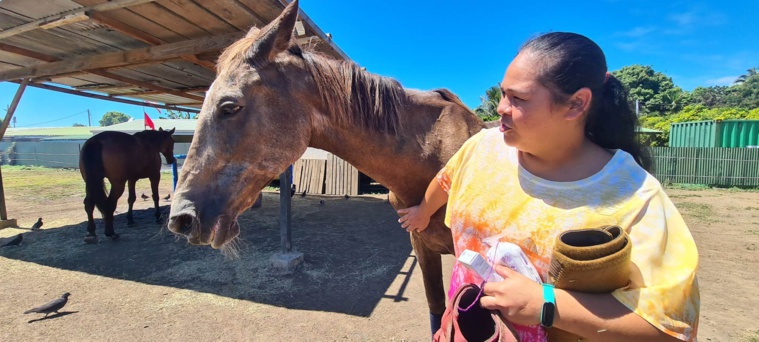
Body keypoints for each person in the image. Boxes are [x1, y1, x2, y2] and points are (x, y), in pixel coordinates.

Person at [398, 32, 699, 341]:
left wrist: (545, 304)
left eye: (518, 99)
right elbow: (447, 179)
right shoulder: (483, 148)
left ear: (576, 104)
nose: (501, 108)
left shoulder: (633, 195)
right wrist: (423, 211)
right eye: (503, 94)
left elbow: (670, 328)